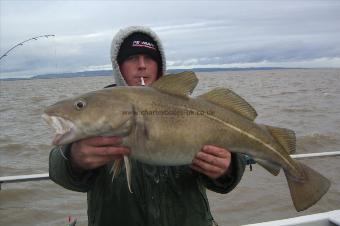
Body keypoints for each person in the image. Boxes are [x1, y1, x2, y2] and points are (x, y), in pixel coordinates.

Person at [49, 26, 246, 226]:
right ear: (118, 65)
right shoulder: (99, 109)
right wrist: (74, 159)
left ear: (160, 65)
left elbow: (226, 181)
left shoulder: (192, 108)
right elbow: (59, 172)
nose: (142, 65)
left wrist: (227, 168)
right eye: (132, 58)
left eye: (149, 58)